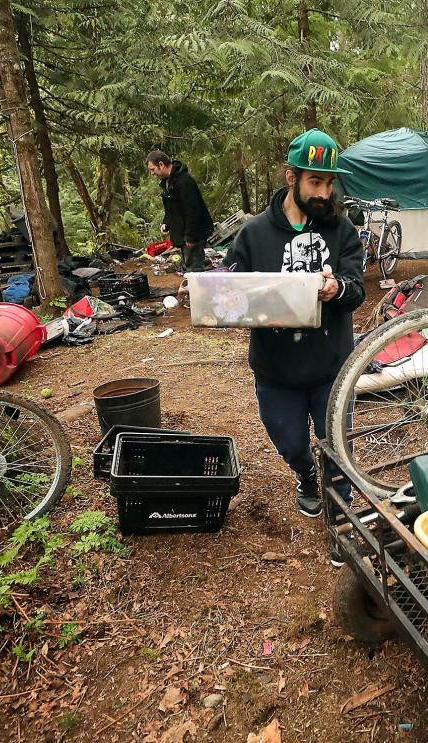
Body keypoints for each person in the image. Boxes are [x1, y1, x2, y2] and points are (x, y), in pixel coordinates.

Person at [222, 129, 365, 560]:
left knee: (336, 446)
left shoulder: (341, 231)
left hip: (331, 367)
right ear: (291, 177)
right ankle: (306, 475)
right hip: (276, 369)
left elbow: (356, 288)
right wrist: (216, 292)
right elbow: (232, 284)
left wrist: (335, 287)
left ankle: (340, 520)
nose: (323, 193)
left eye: (328, 183)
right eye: (314, 183)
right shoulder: (255, 234)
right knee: (292, 444)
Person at [146, 150, 214, 272]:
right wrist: (166, 222)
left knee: (194, 270)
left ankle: (197, 291)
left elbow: (193, 211)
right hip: (183, 234)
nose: (152, 173)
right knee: (190, 266)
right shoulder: (167, 183)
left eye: (152, 169)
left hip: (192, 235)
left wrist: (190, 237)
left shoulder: (184, 181)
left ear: (161, 164)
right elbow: (171, 208)